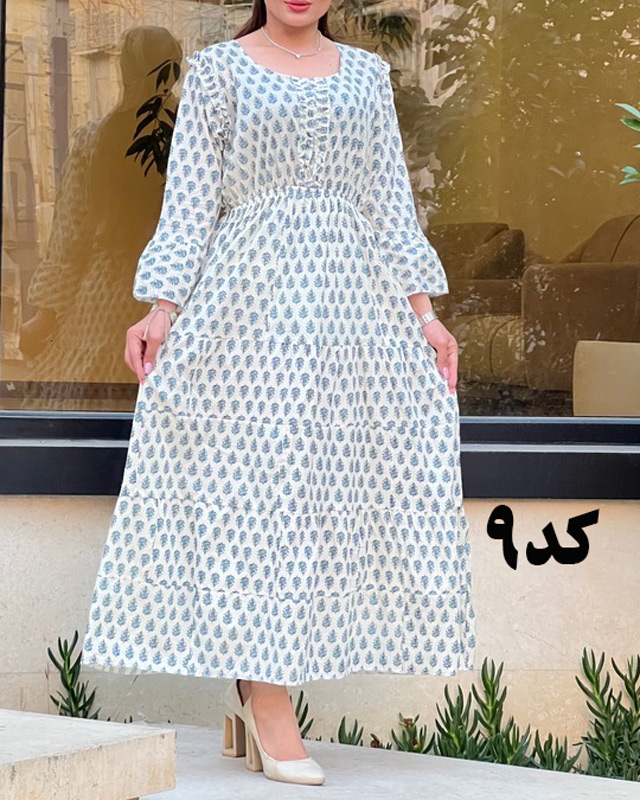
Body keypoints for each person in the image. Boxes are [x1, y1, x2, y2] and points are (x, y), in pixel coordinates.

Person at [81, 2, 477, 788]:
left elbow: (390, 204)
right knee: (258, 497)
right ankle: (265, 699)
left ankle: (255, 689)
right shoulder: (220, 71)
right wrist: (162, 307)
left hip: (349, 316)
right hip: (247, 311)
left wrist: (426, 317)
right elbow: (189, 200)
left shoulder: (367, 76)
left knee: (322, 496)